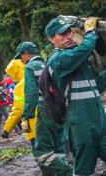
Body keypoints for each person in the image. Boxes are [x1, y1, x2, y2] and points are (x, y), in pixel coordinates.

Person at [45, 17, 106, 175]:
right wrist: (91, 33)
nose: (68, 36)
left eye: (69, 32)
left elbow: (98, 85)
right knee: (83, 172)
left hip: (101, 121)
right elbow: (84, 50)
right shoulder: (57, 60)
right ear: (52, 39)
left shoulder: (80, 60)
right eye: (62, 34)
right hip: (80, 126)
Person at [14, 41, 73, 175]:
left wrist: (26, 116)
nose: (21, 60)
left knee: (42, 152)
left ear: (26, 54)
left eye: (21, 57)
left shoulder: (30, 67)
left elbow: (31, 94)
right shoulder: (48, 63)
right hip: (60, 109)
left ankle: (71, 173)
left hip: (45, 110)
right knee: (59, 149)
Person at [1, 59, 35, 139]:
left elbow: (17, 110)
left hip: (34, 123)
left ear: (14, 73)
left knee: (40, 150)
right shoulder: (36, 75)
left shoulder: (20, 86)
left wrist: (7, 129)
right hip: (51, 119)